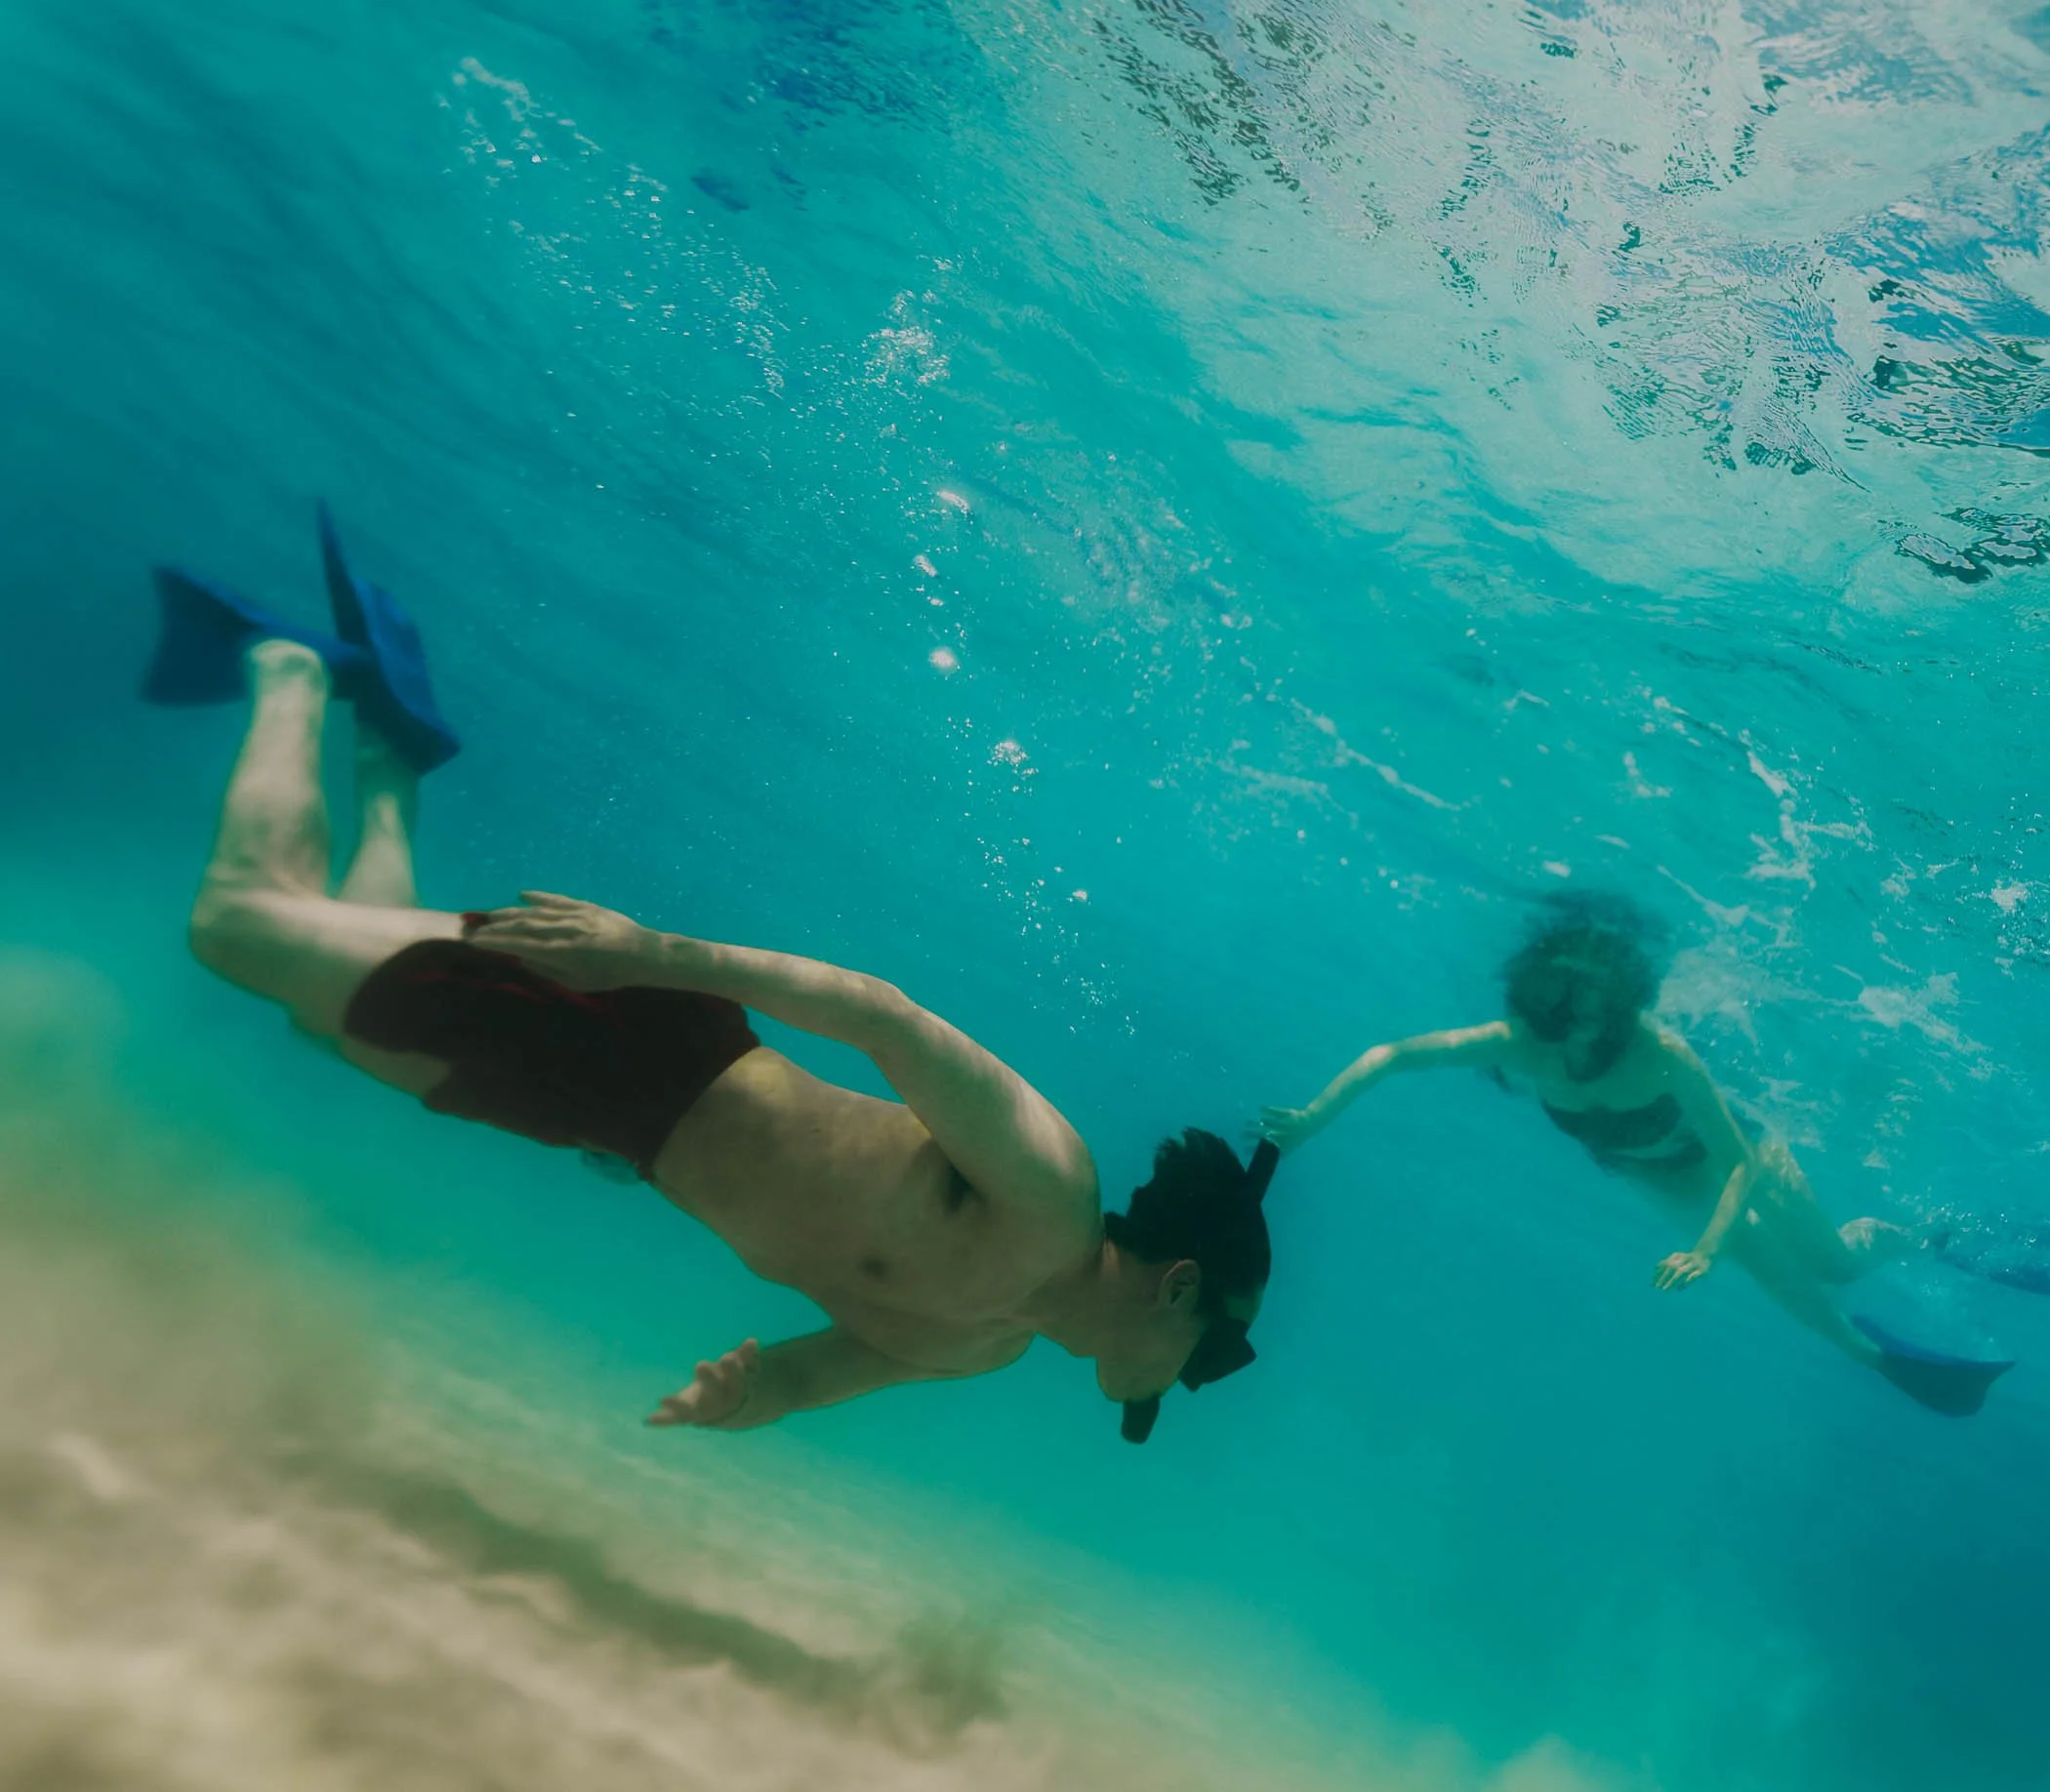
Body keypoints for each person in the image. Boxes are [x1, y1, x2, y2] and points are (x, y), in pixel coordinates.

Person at [143, 509, 1272, 1445]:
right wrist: (648, 955)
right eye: (1216, 1352)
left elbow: (803, 1378)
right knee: (238, 929)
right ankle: (289, 670)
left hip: (609, 1126)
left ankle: (393, 751)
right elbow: (882, 1018)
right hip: (637, 1040)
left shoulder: (969, 1346)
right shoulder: (1049, 1190)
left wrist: (740, 1400)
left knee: (324, 1011)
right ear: (1179, 1286)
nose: (1196, 1376)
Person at [1260, 895, 2012, 1415]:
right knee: (1758, 1258)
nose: (1575, 1031)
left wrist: (1703, 1249)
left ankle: (1928, 1240)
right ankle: (1865, 1353)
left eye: (1594, 1011)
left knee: (1830, 1263)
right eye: (1563, 1007)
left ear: (1620, 1006)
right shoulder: (1516, 1043)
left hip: (1734, 1152)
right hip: (1649, 1168)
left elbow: (1740, 1164)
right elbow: (1392, 1055)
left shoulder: (1664, 1054)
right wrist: (1313, 1117)